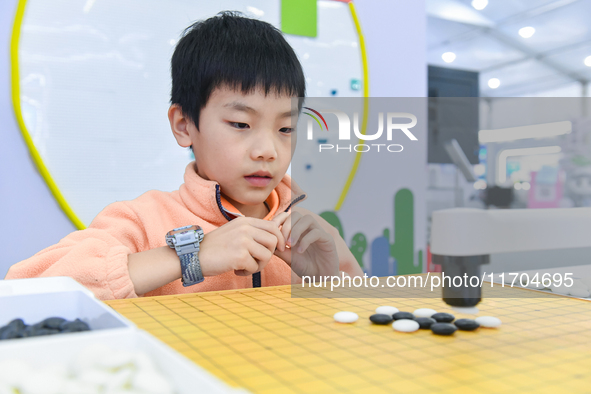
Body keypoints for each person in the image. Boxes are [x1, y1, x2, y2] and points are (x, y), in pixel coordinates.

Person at [5, 12, 364, 300]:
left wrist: (332, 277)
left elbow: (367, 329)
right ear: (183, 125)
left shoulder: (305, 234)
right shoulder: (141, 221)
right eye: (241, 124)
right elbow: (25, 290)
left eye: (286, 129)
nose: (268, 151)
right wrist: (192, 256)